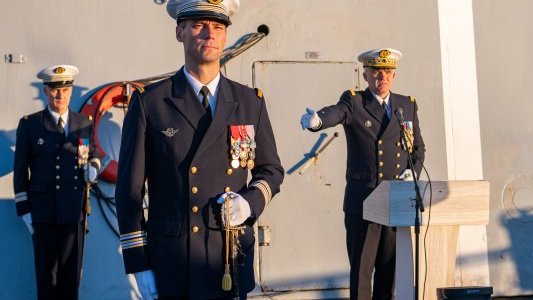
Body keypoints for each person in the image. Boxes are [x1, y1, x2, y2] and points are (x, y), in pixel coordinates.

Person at [114, 0, 284, 299]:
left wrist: (250, 202)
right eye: (198, 26)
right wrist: (138, 264)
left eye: (218, 27)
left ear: (226, 37)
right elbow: (129, 192)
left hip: (229, 256)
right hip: (174, 261)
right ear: (179, 32)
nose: (209, 34)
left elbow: (270, 170)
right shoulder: (150, 103)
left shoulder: (249, 101)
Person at [300, 48, 426, 300]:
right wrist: (318, 121)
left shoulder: (406, 105)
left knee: (388, 272)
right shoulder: (355, 101)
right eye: (377, 73)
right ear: (365, 75)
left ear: (395, 75)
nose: (383, 79)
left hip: (393, 201)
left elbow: (417, 148)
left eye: (388, 73)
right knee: (361, 272)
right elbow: (336, 112)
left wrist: (412, 172)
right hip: (364, 202)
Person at [13, 64, 100, 300]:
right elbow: (20, 171)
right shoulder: (30, 125)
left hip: (74, 214)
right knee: (47, 280)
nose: (60, 95)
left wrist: (92, 167)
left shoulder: (83, 123)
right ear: (45, 90)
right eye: (54, 89)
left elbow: (88, 154)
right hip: (43, 214)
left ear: (71, 91)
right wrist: (25, 211)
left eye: (65, 89)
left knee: (71, 281)